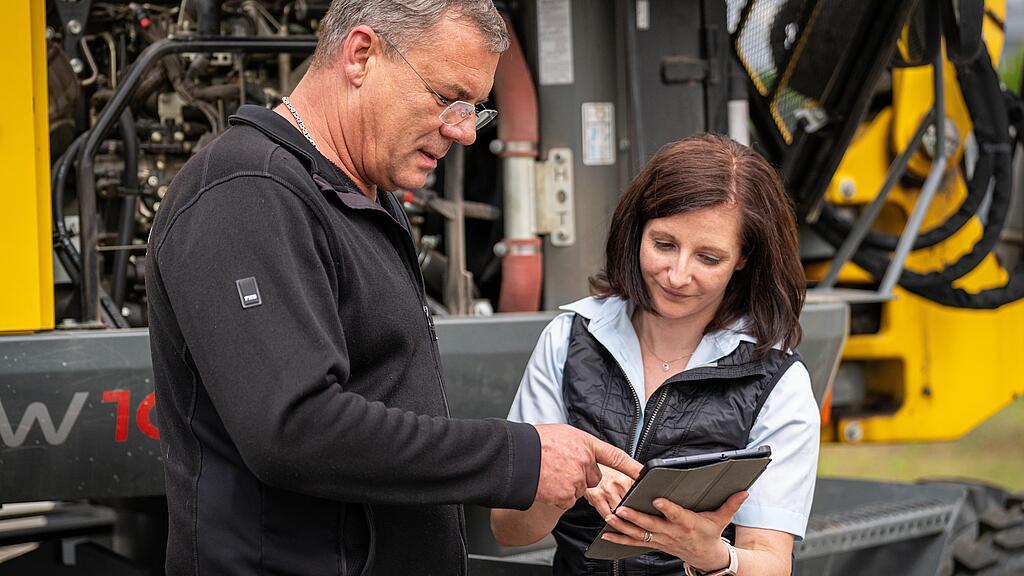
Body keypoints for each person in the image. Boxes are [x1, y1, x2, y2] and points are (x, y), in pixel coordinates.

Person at [145, 1, 641, 574]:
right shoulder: (246, 193)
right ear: (361, 55)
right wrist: (520, 457)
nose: (462, 131)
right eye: (447, 99)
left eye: (474, 112)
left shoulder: (359, 195)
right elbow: (293, 430)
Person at [491, 134, 820, 576]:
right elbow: (510, 530)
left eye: (708, 257)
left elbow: (771, 562)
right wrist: (571, 482)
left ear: (744, 258)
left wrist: (713, 557)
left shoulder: (776, 378)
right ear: (637, 229)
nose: (678, 274)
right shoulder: (570, 338)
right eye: (664, 244)